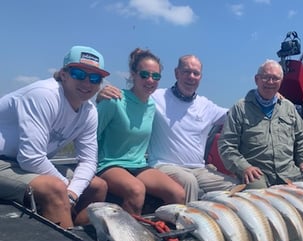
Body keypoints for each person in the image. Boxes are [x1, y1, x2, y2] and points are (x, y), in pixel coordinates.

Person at [98, 55, 238, 202]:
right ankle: (189, 223)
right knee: (189, 181)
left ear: (200, 77)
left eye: (196, 73)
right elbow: (133, 97)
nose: (191, 77)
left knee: (235, 186)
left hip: (199, 169)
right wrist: (101, 95)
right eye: (186, 72)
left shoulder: (206, 105)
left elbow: (235, 116)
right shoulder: (155, 97)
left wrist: (258, 105)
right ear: (176, 73)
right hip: (164, 165)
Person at [0, 45, 109, 229]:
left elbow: (89, 161)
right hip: (5, 162)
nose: (87, 83)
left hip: (23, 163)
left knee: (98, 186)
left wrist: (73, 192)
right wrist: (67, 189)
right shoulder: (44, 95)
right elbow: (31, 158)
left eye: (95, 78)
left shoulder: (89, 111)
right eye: (79, 74)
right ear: (64, 74)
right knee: (55, 189)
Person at [96, 48, 185, 214]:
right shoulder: (114, 100)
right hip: (109, 164)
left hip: (138, 165)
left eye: (156, 76)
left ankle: (169, 235)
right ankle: (128, 238)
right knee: (136, 190)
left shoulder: (152, 105)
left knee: (178, 193)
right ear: (133, 75)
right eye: (145, 75)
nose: (150, 80)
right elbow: (90, 135)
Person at [218, 59, 303, 189]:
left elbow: (302, 137)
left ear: (281, 82)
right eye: (266, 77)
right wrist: (244, 168)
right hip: (257, 175)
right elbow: (226, 145)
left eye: (275, 78)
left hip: (289, 173)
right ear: (256, 79)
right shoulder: (240, 108)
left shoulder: (289, 108)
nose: (270, 82)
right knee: (258, 195)